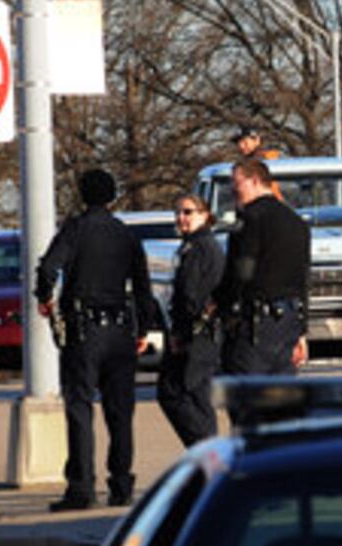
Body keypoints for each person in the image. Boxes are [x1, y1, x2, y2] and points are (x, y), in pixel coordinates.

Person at [34, 169, 156, 511]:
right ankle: (121, 484)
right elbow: (143, 287)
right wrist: (143, 328)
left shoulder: (74, 229)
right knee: (120, 412)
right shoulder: (125, 235)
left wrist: (44, 297)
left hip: (83, 330)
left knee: (80, 407)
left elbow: (47, 269)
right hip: (120, 328)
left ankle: (82, 487)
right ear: (113, 196)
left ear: (82, 194)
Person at [215, 158, 311, 375]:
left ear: (255, 181)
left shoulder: (250, 219)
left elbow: (242, 272)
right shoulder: (297, 222)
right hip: (289, 321)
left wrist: (223, 306)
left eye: (236, 183)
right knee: (281, 399)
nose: (233, 190)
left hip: (254, 324)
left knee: (246, 399)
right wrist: (302, 331)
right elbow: (303, 279)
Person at [156, 194, 225, 447]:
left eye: (188, 212)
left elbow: (191, 295)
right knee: (192, 396)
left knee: (179, 394)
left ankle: (208, 453)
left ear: (204, 215)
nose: (181, 218)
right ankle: (206, 455)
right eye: (178, 212)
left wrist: (181, 333)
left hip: (198, 334)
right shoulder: (193, 246)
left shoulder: (202, 247)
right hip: (197, 332)